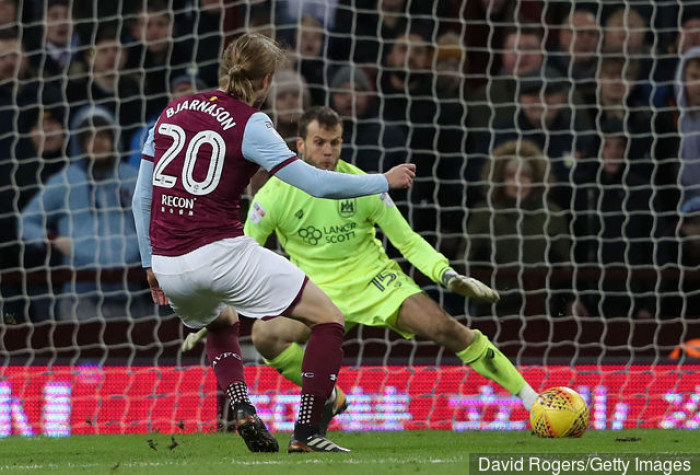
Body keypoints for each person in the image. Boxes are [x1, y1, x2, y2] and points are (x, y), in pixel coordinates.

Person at [131, 33, 416, 453]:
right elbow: (315, 183)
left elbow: (142, 197)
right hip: (221, 252)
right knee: (328, 317)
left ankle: (242, 406)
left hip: (168, 263)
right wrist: (382, 181)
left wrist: (148, 263)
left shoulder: (171, 111)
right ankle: (307, 431)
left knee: (221, 322)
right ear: (266, 81)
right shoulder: (251, 122)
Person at [236, 106, 537, 434]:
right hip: (317, 291)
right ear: (300, 145)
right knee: (265, 336)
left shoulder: (362, 184)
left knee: (446, 329)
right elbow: (245, 251)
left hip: (374, 280)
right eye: (320, 142)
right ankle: (331, 396)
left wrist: (446, 274)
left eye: (335, 143)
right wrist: (217, 306)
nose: (328, 151)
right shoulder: (274, 196)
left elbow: (407, 241)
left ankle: (532, 400)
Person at [21, 105, 152, 321]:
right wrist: (53, 240)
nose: (97, 142)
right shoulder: (65, 181)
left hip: (132, 293)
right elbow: (27, 222)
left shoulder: (133, 178)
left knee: (137, 355)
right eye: (89, 136)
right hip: (81, 297)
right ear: (80, 143)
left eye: (103, 135)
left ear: (113, 138)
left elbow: (156, 219)